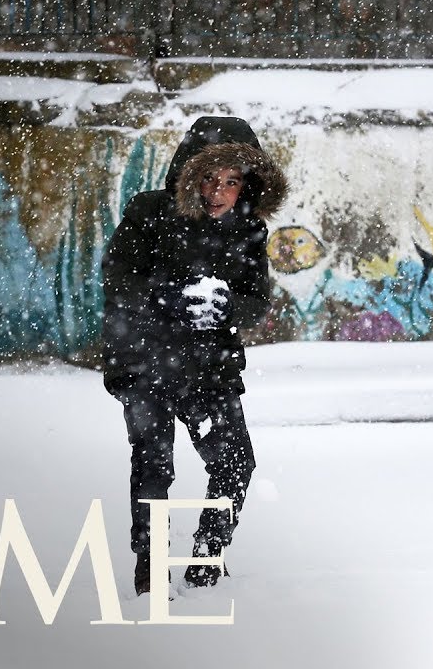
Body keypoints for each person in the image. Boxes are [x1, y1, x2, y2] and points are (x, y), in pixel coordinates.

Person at [102, 116, 287, 594]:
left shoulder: (248, 229)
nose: (216, 192)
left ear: (247, 184)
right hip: (147, 363)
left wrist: (228, 306)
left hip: (210, 369)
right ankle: (150, 572)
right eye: (207, 177)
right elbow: (117, 278)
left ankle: (206, 564)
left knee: (235, 463)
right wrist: (170, 298)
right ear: (188, 174)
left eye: (230, 181)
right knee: (154, 468)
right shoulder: (150, 211)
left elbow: (256, 298)